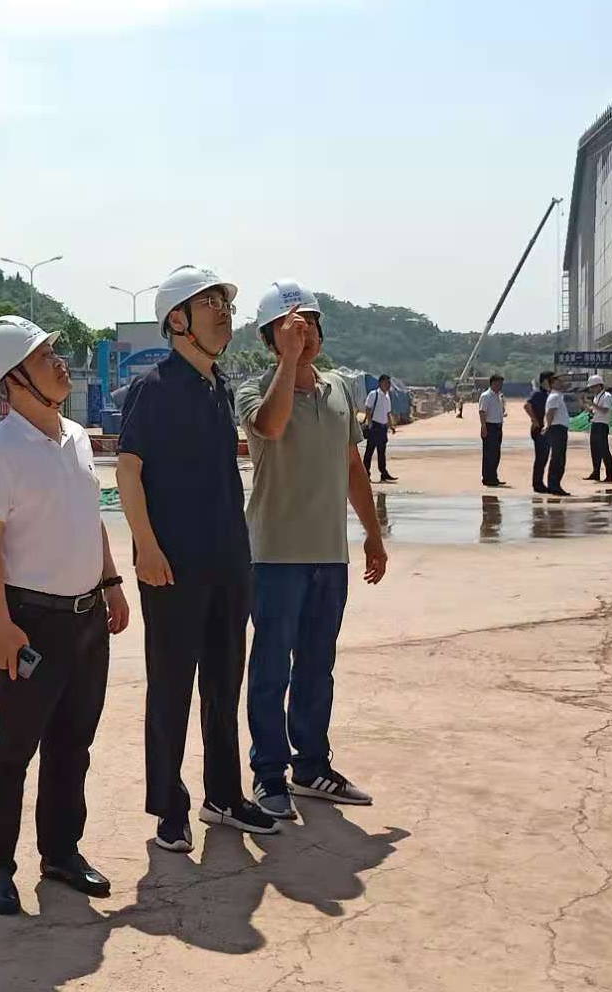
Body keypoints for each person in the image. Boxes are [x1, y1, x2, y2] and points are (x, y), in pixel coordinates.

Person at [0, 316, 132, 916]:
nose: (61, 364)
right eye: (44, 357)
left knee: (73, 744)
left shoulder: (78, 438)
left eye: (55, 353)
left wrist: (111, 583)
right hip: (30, 621)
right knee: (14, 748)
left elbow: (90, 518)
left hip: (88, 617)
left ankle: (61, 852)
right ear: (12, 381)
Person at [116, 265, 279, 852]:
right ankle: (169, 807)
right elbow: (128, 471)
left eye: (226, 304)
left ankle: (224, 796)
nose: (224, 313)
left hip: (227, 561)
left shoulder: (219, 386)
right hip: (172, 565)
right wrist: (146, 546)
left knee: (223, 682)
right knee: (170, 688)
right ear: (178, 320)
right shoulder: (154, 388)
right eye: (210, 303)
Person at [238, 281, 387, 820]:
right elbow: (272, 425)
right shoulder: (254, 391)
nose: (307, 334)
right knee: (271, 668)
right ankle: (268, 775)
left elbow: (351, 465)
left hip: (329, 554)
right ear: (270, 339)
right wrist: (289, 360)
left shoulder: (338, 389)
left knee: (317, 667)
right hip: (275, 555)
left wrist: (372, 533)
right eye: (293, 328)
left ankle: (312, 766)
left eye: (313, 325)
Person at [362, 375, 398, 483]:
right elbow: (368, 409)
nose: (388, 385)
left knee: (382, 452)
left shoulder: (387, 397)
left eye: (389, 383)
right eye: (387, 383)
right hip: (374, 426)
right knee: (369, 451)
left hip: (383, 428)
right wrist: (370, 423)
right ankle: (365, 474)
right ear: (381, 383)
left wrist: (391, 425)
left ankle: (383, 473)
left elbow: (388, 413)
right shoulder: (374, 394)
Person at [582, 374, 612, 485]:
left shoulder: (607, 396)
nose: (591, 389)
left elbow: (605, 410)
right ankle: (596, 472)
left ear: (599, 386)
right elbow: (594, 412)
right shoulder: (596, 397)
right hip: (595, 424)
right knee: (595, 449)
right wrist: (586, 405)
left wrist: (593, 405)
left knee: (604, 450)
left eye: (593, 387)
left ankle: (609, 475)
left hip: (602, 425)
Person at [542, 375, 572, 496]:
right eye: (558, 382)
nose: (561, 383)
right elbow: (550, 413)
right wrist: (548, 426)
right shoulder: (554, 396)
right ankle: (554, 485)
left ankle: (555, 484)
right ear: (552, 384)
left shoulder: (558, 396)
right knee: (557, 458)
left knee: (559, 458)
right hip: (557, 429)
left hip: (560, 428)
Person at [526, 371, 555, 495]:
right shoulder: (538, 393)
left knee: (544, 457)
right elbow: (527, 405)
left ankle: (539, 482)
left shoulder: (549, 394)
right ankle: (537, 484)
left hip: (547, 429)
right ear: (545, 381)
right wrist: (534, 420)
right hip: (539, 429)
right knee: (541, 457)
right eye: (551, 380)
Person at [478, 374, 506, 487]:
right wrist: (483, 427)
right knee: (489, 454)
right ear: (493, 383)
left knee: (496, 454)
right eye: (499, 383)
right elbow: (482, 412)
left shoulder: (499, 396)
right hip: (490, 426)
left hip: (498, 426)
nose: (501, 386)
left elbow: (501, 411)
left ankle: (493, 476)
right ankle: (487, 478)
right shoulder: (486, 396)